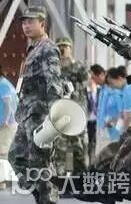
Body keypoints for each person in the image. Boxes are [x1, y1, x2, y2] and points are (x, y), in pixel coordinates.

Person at [10, 6, 64, 204]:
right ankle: (40, 194)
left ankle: (48, 199)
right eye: (24, 22)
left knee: (40, 162)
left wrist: (53, 115)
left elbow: (54, 83)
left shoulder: (48, 48)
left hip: (41, 114)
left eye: (31, 21)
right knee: (16, 157)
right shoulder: (33, 49)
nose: (26, 26)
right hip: (27, 114)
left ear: (42, 23)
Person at [52, 37, 89, 174]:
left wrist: (72, 87)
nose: (62, 50)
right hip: (60, 112)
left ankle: (80, 177)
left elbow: (86, 82)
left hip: (77, 111)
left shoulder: (78, 66)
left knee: (78, 146)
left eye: (65, 47)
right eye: (59, 47)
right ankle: (61, 176)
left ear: (70, 49)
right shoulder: (54, 68)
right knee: (60, 147)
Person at [86, 65, 104, 159]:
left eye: (92, 78)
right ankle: (91, 161)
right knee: (89, 143)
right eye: (90, 78)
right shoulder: (83, 92)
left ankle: (95, 160)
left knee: (96, 143)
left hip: (97, 120)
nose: (91, 80)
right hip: (88, 121)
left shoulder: (101, 91)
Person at [0, 65, 15, 162]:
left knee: (2, 156)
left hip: (6, 126)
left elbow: (8, 106)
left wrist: (5, 121)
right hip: (4, 124)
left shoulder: (3, 85)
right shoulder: (4, 83)